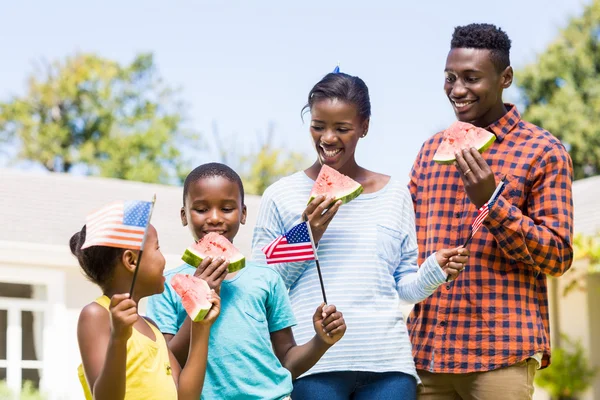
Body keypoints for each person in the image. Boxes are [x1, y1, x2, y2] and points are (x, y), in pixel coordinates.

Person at [251, 70, 470, 400]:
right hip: (315, 366)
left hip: (388, 368)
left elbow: (405, 287)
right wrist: (307, 234)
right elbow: (263, 288)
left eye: (342, 128)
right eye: (318, 126)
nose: (328, 138)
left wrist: (434, 270)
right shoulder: (281, 195)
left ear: (364, 127)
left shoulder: (395, 194)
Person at [407, 23, 574, 400]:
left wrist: (492, 203)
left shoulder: (544, 151)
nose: (457, 89)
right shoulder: (430, 151)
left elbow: (558, 256)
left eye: (471, 77)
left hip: (501, 354)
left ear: (505, 78)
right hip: (427, 354)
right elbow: (405, 245)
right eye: (450, 77)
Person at [147, 162, 347, 400]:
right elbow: (167, 366)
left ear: (243, 214)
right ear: (184, 215)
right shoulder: (166, 285)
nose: (214, 218)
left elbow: (288, 362)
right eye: (201, 209)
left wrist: (321, 342)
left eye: (227, 208)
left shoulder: (267, 279)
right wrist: (198, 299)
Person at [73, 201, 220, 400]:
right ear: (131, 261)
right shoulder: (97, 315)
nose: (164, 259)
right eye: (157, 248)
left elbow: (186, 397)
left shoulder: (152, 327)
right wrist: (119, 339)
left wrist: (201, 326)